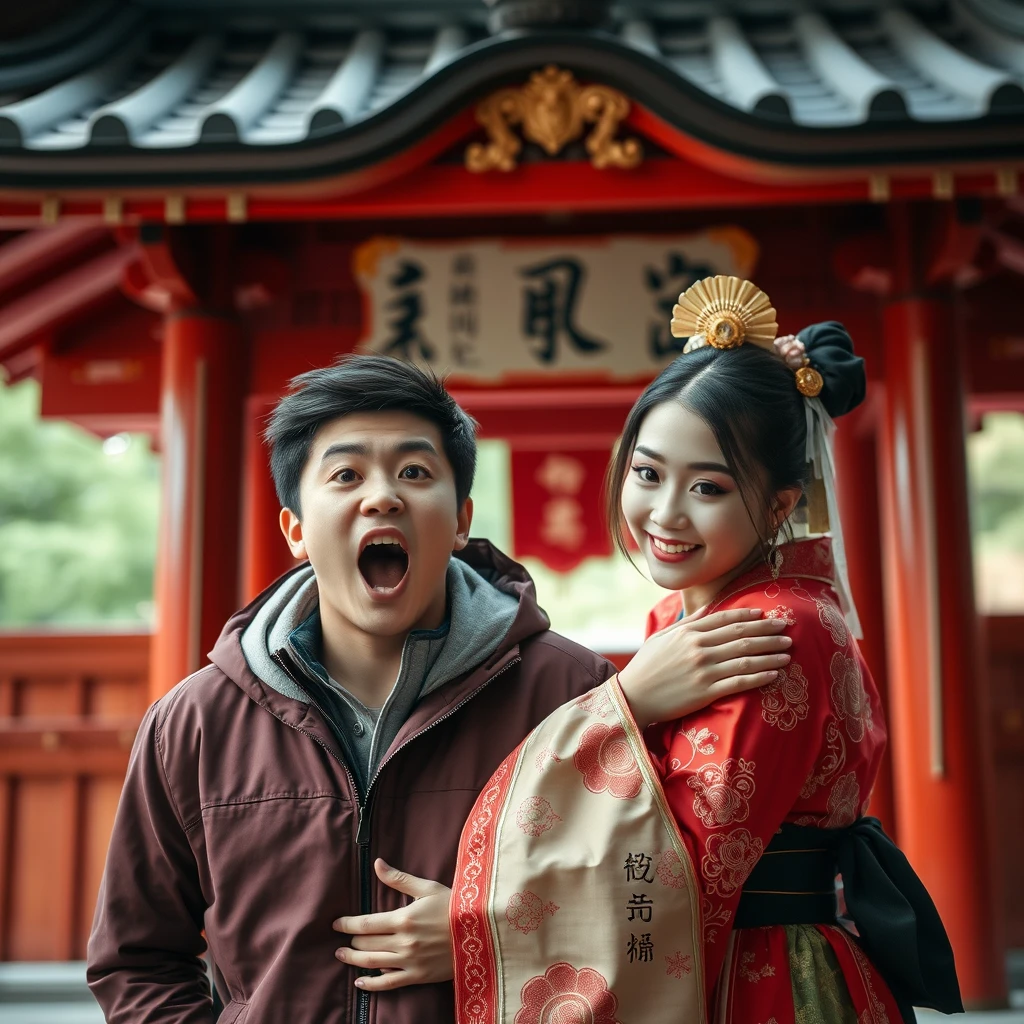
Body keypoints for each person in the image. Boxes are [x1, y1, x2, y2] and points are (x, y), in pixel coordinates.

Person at [86, 353, 793, 1024]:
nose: (382, 496)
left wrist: (484, 933)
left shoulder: (575, 694)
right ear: (296, 530)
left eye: (415, 471)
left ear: (460, 521)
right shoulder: (195, 722)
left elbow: (646, 906)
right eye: (345, 477)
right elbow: (136, 959)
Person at [365, 279, 961, 1023]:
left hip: (756, 982)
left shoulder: (773, 632)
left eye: (708, 487)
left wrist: (477, 924)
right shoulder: (692, 614)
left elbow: (685, 873)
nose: (664, 513)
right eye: (647, 473)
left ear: (780, 504)